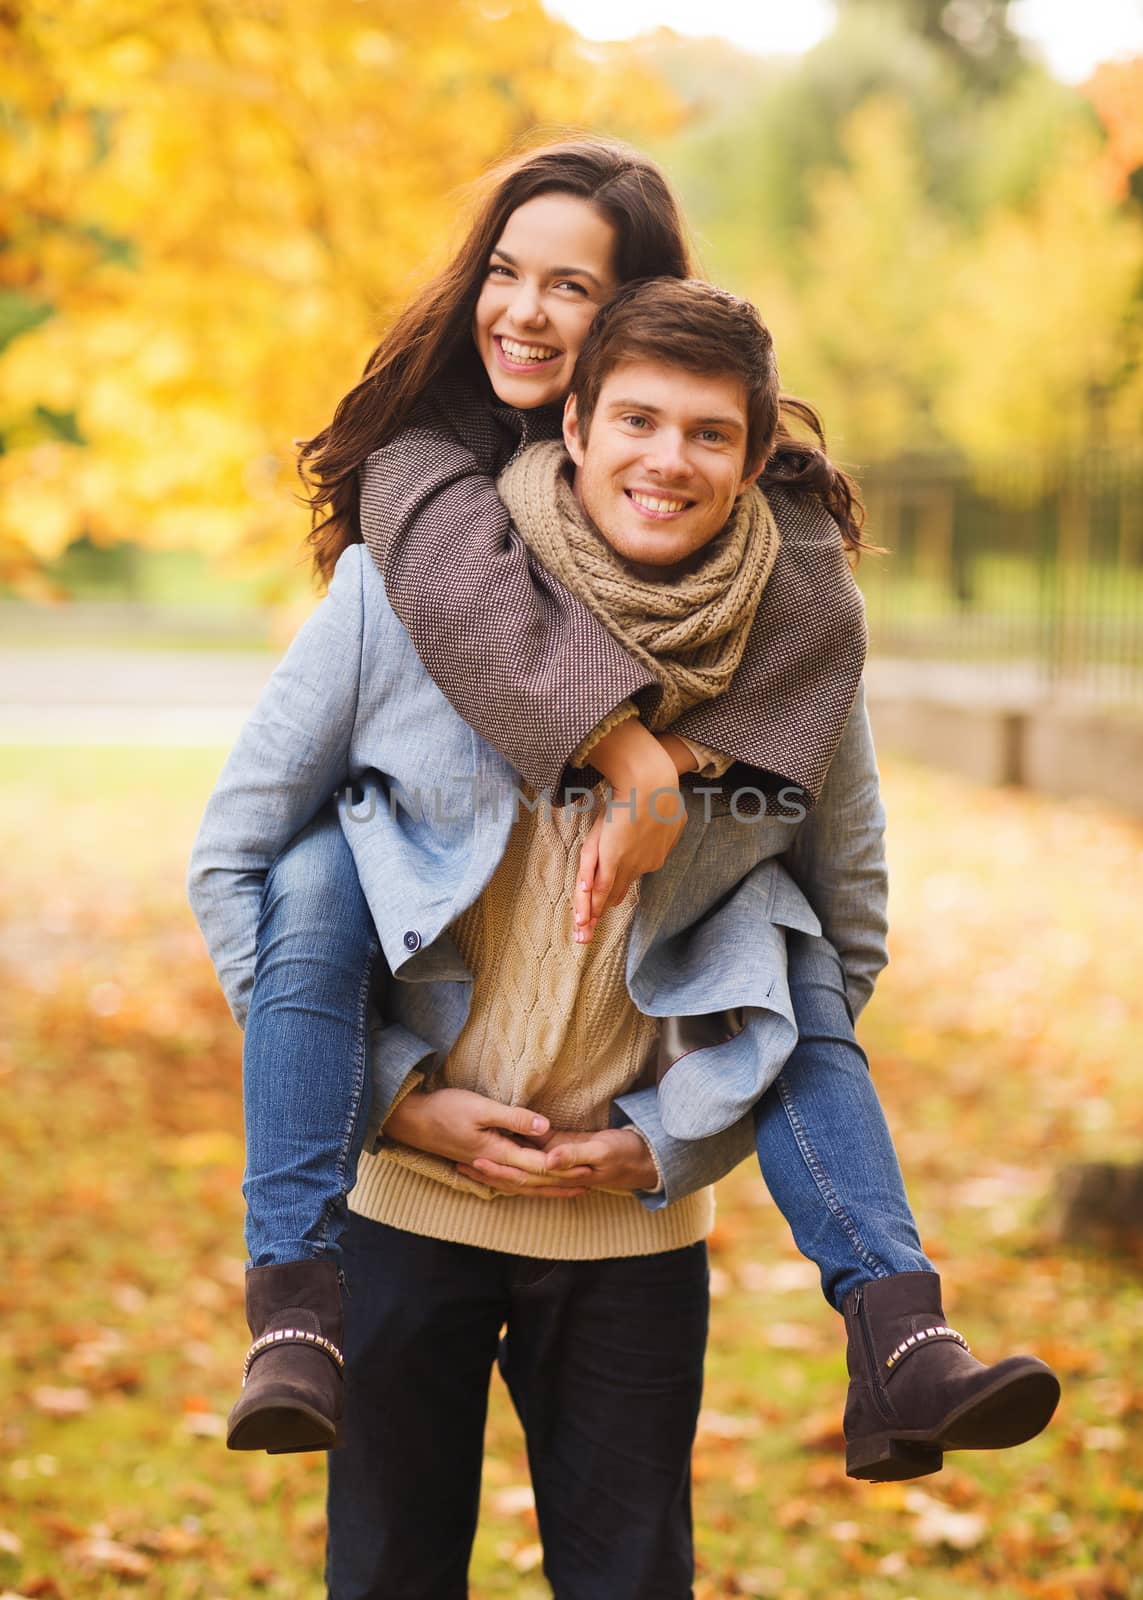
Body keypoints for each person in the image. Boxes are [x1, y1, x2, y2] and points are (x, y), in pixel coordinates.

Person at [190, 281, 1059, 1598]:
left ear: (758, 456)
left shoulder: (796, 648)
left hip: (626, 1238)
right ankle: (290, 1307)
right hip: (401, 1209)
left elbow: (847, 934)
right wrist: (398, 1106)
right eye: (638, 420)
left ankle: (898, 1329)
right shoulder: (401, 599)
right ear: (576, 422)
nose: (668, 459)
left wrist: (669, 1136)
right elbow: (234, 862)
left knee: (632, 1580)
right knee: (386, 1577)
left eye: (710, 433)